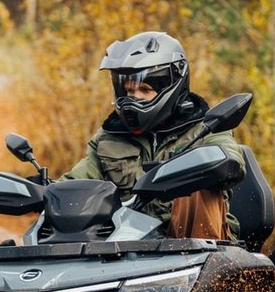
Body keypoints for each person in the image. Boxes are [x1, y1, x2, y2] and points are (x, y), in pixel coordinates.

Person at [61, 31, 244, 240]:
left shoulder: (206, 130)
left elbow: (232, 161)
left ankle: (208, 270)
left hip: (200, 249)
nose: (132, 99)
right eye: (128, 91)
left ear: (172, 86)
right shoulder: (108, 138)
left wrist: (185, 172)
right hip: (126, 247)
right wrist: (44, 192)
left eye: (144, 89)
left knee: (198, 188)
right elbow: (77, 181)